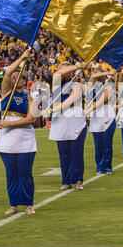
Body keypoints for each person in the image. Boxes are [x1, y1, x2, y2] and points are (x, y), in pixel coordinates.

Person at [0, 47, 39, 216]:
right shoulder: (5, 92)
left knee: (25, 173)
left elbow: (31, 119)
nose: (15, 78)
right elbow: (7, 73)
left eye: (19, 76)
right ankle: (13, 204)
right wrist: (22, 57)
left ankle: (28, 204)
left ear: (24, 80)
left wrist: (10, 124)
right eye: (14, 77)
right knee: (11, 174)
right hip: (7, 142)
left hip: (25, 140)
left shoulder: (30, 98)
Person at [48, 61, 88, 191]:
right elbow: (58, 74)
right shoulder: (56, 84)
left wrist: (54, 109)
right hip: (60, 123)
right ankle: (66, 180)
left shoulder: (76, 84)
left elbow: (72, 100)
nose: (64, 70)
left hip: (75, 122)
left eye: (67, 67)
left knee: (76, 153)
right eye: (63, 67)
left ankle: (78, 179)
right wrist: (77, 66)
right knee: (63, 154)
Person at [84, 68, 117, 175]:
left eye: (100, 74)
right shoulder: (90, 87)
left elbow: (102, 100)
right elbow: (93, 77)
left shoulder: (108, 87)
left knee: (107, 144)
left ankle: (108, 167)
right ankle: (99, 167)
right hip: (95, 117)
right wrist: (109, 72)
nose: (98, 76)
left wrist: (88, 110)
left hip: (107, 116)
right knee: (98, 145)